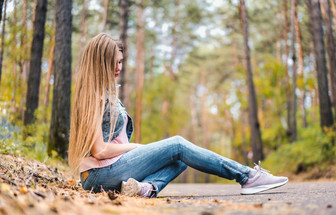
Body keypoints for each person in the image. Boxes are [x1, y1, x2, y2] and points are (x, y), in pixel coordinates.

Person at [68, 33, 288, 198]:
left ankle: (145, 189)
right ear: (101, 62)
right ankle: (247, 176)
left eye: (121, 61)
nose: (119, 67)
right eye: (115, 62)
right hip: (99, 175)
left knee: (181, 160)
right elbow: (100, 151)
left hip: (105, 173)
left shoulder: (104, 93)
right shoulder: (94, 95)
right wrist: (136, 147)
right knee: (178, 146)